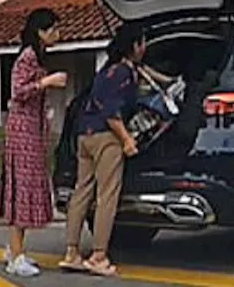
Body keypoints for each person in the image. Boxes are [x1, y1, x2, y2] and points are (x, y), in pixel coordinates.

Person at [59, 21, 147, 277]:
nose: (145, 47)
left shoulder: (107, 71)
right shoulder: (123, 73)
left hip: (84, 136)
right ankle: (99, 256)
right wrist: (127, 140)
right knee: (107, 195)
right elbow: (111, 111)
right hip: (106, 137)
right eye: (143, 42)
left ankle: (72, 252)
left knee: (81, 191)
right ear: (135, 46)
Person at [0, 7, 68, 277]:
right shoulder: (27, 57)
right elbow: (19, 91)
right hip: (23, 131)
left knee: (24, 190)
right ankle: (16, 255)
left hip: (32, 130)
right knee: (21, 192)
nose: (57, 35)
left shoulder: (35, 56)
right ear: (40, 32)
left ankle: (15, 248)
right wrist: (46, 82)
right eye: (53, 30)